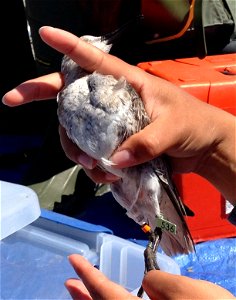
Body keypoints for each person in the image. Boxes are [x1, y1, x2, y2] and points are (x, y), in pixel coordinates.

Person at [2, 27, 235, 299]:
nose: (104, 41)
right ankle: (155, 241)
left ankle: (155, 244)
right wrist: (216, 144)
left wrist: (216, 142)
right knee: (147, 214)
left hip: (147, 175)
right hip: (127, 180)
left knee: (154, 217)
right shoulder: (67, 99)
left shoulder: (112, 86)